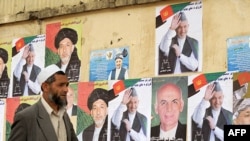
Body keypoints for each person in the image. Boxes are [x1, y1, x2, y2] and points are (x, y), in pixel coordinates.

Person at [8, 64, 78, 141]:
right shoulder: (25, 117)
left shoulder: (64, 115)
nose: (66, 90)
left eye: (66, 85)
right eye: (60, 85)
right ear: (45, 87)